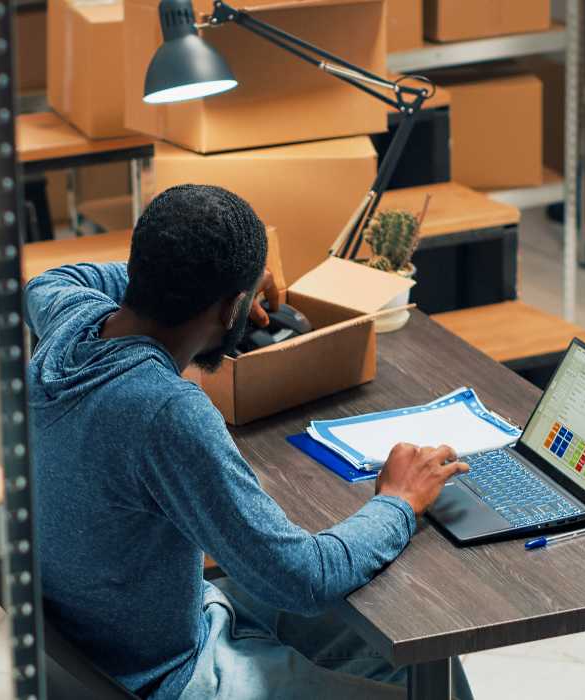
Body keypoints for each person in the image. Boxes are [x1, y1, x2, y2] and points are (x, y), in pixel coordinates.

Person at [25, 184, 473, 699]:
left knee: (414, 653)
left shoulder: (67, 322)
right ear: (232, 307)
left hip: (110, 639)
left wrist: (196, 282)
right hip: (169, 673)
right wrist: (398, 501)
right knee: (431, 678)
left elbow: (49, 279)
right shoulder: (166, 412)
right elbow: (301, 579)